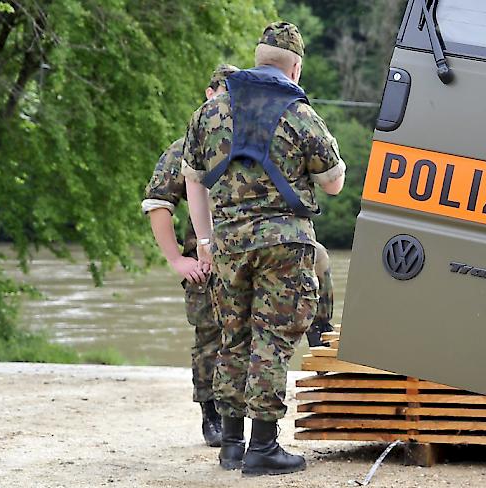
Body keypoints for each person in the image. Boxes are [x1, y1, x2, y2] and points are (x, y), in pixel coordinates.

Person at [182, 21, 346, 476]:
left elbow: (193, 182)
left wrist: (205, 241)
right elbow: (333, 185)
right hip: (284, 244)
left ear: (257, 60)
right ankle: (264, 448)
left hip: (228, 242)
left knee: (232, 337)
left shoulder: (211, 113)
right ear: (295, 67)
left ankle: (231, 446)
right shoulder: (299, 112)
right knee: (271, 342)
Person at [142, 64, 240, 448]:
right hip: (204, 264)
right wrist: (176, 260)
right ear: (208, 92)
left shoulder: (248, 139)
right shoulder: (186, 146)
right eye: (222, 93)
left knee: (246, 340)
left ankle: (243, 415)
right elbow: (157, 203)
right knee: (210, 339)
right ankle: (211, 416)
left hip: (246, 258)